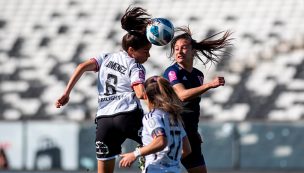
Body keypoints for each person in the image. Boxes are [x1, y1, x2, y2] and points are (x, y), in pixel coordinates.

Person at [55, 6, 153, 173]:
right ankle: (145, 165)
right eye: (146, 51)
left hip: (104, 122)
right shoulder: (136, 66)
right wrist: (161, 93)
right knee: (158, 144)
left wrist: (66, 93)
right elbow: (139, 94)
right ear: (131, 50)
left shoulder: (105, 58)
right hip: (128, 116)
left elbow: (81, 67)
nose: (148, 56)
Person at [163, 26, 233, 173]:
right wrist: (210, 85)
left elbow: (193, 104)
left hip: (190, 130)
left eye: (183, 48)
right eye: (176, 49)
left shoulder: (198, 75)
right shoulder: (172, 71)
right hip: (176, 130)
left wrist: (194, 129)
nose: (179, 51)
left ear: (194, 51)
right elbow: (182, 95)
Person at [119, 76, 191, 173]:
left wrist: (135, 154)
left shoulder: (152, 117)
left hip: (155, 170)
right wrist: (169, 163)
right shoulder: (175, 117)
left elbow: (161, 141)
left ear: (145, 96)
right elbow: (187, 149)